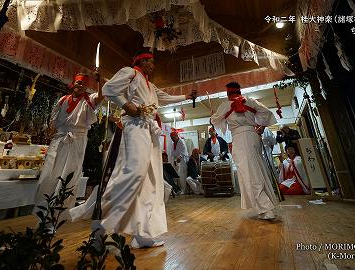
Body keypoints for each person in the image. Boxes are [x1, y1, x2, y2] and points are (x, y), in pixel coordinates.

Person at [71, 49, 196, 249]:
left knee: (150, 180)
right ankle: (101, 227)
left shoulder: (150, 85)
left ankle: (142, 233)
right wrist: (125, 104)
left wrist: (185, 96)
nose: (153, 66)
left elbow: (163, 97)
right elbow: (110, 88)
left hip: (148, 130)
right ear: (142, 61)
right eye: (151, 62)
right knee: (133, 174)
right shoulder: (130, 72)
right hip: (134, 126)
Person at [33, 73, 103, 219]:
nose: (80, 85)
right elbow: (53, 119)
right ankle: (43, 207)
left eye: (83, 84)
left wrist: (99, 81)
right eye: (78, 83)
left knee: (69, 174)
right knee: (50, 172)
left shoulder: (89, 100)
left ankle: (61, 212)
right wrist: (52, 131)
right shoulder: (63, 99)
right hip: (59, 139)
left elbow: (101, 96)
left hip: (77, 141)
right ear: (73, 84)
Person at [211, 82, 278, 220]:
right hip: (253, 136)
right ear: (239, 91)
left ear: (228, 93)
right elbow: (267, 113)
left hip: (240, 139)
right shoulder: (251, 101)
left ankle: (266, 208)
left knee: (250, 172)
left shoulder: (225, 105)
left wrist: (215, 117)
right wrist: (261, 126)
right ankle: (264, 206)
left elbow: (215, 121)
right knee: (257, 169)